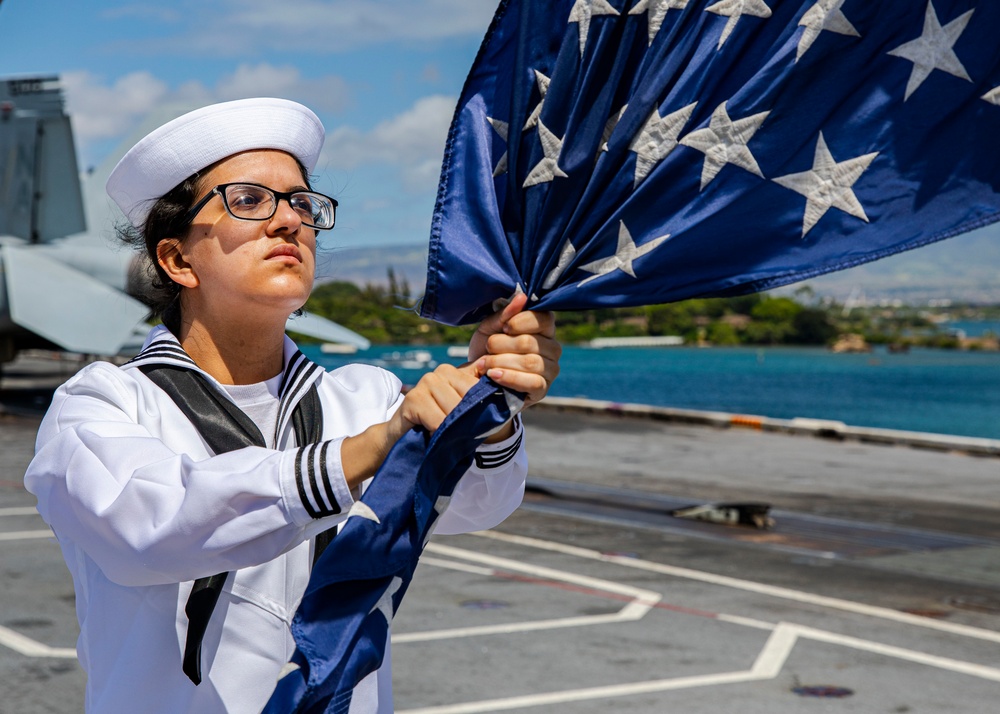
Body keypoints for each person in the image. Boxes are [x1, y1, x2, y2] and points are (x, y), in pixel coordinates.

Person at [24, 97, 560, 713]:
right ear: (176, 260)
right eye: (248, 201)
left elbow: (477, 504)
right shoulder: (101, 406)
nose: (289, 222)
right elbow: (151, 527)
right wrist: (374, 447)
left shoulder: (365, 397)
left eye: (301, 203)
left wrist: (489, 399)